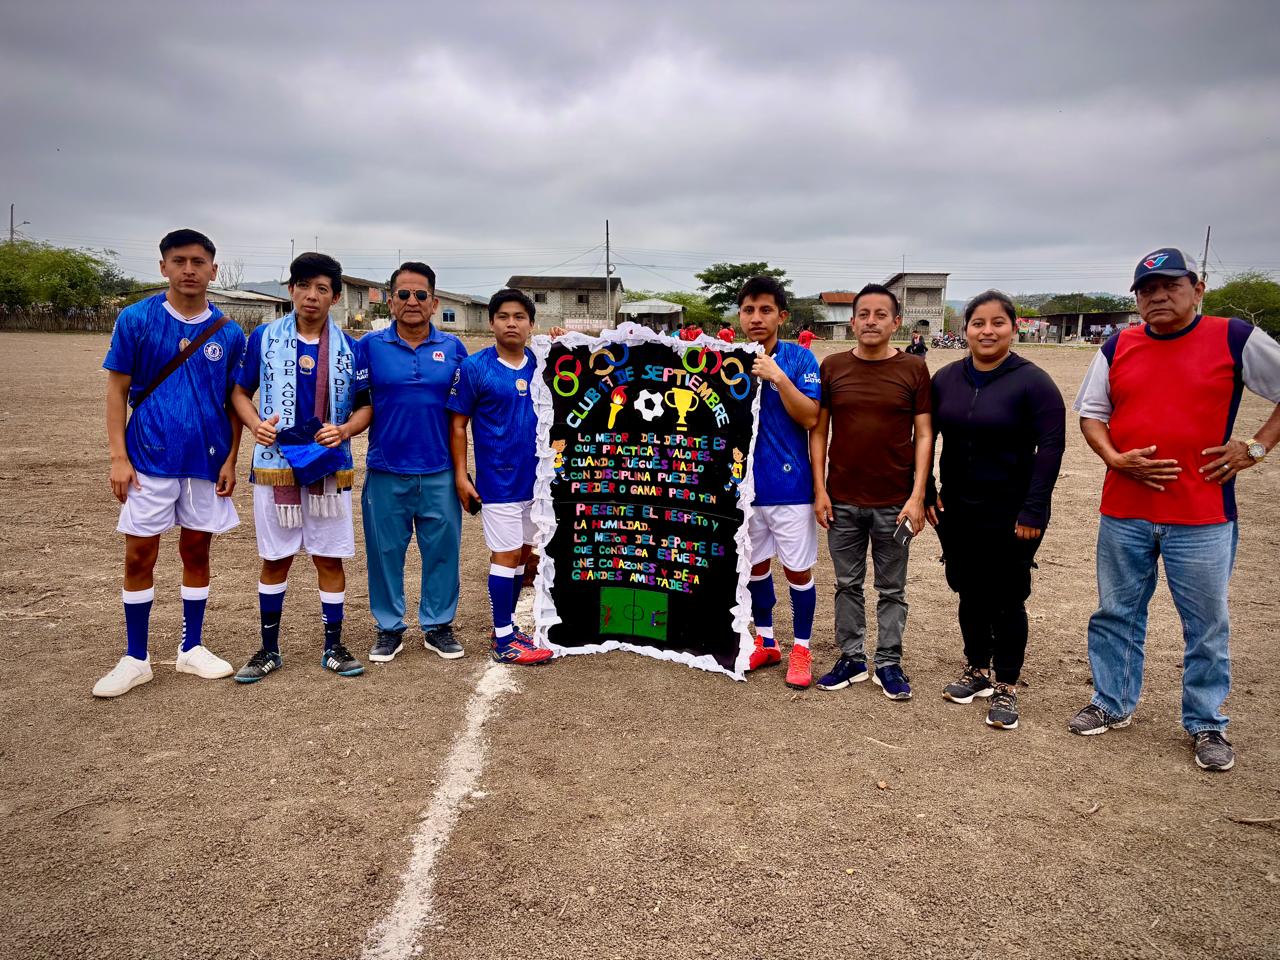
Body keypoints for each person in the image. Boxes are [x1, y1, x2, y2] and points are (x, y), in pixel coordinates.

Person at [1069, 248, 1280, 772]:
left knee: (1206, 623)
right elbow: (1092, 413)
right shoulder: (1118, 345)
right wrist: (1114, 457)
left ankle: (1206, 721)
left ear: (1197, 288)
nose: (1158, 297)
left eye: (1170, 286)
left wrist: (1256, 447)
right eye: (1147, 290)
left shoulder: (1234, 337)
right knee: (1116, 612)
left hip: (1202, 512)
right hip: (1125, 510)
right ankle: (1111, 703)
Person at [94, 229, 246, 698]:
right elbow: (117, 390)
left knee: (197, 551)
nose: (189, 270)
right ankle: (135, 657)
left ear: (213, 270)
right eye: (179, 261)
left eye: (198, 262)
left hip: (205, 460)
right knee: (139, 554)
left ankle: (191, 647)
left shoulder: (229, 332)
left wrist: (231, 459)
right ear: (163, 267)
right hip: (147, 458)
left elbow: (234, 400)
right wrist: (118, 457)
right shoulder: (136, 319)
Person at [927, 290, 1065, 730]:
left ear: (1013, 327)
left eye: (997, 322)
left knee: (1007, 597)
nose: (987, 331)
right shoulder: (946, 378)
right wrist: (928, 489)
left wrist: (1034, 509)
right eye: (978, 323)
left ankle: (1006, 683)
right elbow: (925, 436)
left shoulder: (1033, 382)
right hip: (958, 506)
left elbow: (1052, 447)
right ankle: (977, 670)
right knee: (968, 590)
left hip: (1013, 510)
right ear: (965, 329)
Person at [230, 253, 370, 682]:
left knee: (329, 557)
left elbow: (366, 407)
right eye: (304, 286)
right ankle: (268, 649)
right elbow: (239, 393)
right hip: (276, 466)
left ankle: (334, 646)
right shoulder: (264, 338)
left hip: (329, 468)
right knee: (276, 558)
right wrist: (256, 425)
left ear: (335, 297)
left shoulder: (351, 347)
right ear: (290, 289)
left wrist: (344, 430)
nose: (312, 295)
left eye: (322, 288)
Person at [811, 284, 931, 700]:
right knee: (847, 584)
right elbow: (819, 431)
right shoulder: (832, 367)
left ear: (896, 323)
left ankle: (889, 662)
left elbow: (924, 434)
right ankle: (852, 658)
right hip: (842, 499)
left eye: (881, 315)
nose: (871, 321)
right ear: (852, 321)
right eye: (864, 314)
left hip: (895, 502)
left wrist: (917, 496)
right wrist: (820, 489)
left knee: (892, 588)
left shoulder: (914, 369)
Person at [354, 262, 469, 662]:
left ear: (434, 302)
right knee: (384, 554)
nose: (412, 301)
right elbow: (356, 402)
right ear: (390, 301)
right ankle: (389, 627)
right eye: (403, 294)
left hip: (439, 471)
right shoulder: (369, 346)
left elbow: (465, 411)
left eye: (421, 294)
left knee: (443, 552)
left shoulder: (454, 349)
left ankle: (438, 625)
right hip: (386, 470)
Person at [448, 289, 554, 666]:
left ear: (531, 324)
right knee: (505, 555)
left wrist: (563, 340)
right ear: (492, 322)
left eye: (519, 317)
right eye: (504, 316)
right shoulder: (474, 367)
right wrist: (461, 476)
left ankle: (505, 628)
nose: (512, 323)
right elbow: (457, 425)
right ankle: (504, 640)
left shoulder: (541, 363)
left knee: (524, 554)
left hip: (537, 481)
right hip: (499, 481)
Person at [736, 277, 822, 689]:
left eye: (765, 310)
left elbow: (810, 417)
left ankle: (801, 648)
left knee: (798, 571)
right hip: (744, 490)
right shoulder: (727, 361)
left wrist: (778, 377)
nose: (756, 318)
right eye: (749, 310)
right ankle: (766, 640)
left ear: (782, 316)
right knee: (755, 568)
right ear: (739, 316)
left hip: (791, 487)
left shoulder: (800, 359)